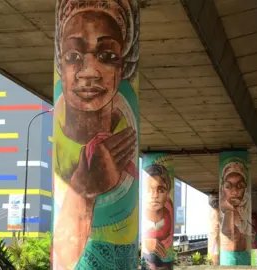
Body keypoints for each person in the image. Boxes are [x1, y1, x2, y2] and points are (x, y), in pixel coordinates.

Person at [52, 0, 139, 269]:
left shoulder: (127, 133)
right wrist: (84, 188)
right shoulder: (58, 146)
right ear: (59, 66)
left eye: (107, 56)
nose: (89, 73)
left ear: (122, 68)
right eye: (73, 57)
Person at [141, 165, 174, 270]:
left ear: (168, 194)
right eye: (148, 190)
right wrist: (146, 243)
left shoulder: (169, 216)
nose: (154, 195)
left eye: (160, 190)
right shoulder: (138, 220)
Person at [219, 160, 251, 264]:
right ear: (222, 189)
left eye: (240, 186)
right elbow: (227, 231)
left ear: (245, 189)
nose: (235, 191)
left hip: (244, 256)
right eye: (228, 186)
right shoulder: (224, 211)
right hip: (228, 257)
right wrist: (229, 210)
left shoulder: (246, 210)